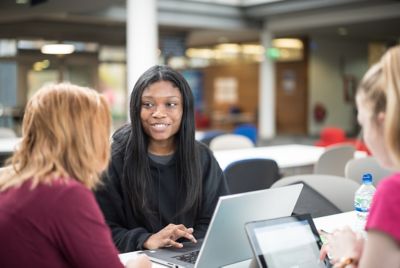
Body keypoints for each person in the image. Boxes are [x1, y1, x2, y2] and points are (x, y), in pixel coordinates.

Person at [0, 83, 151, 268]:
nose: (106, 139)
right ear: (84, 138)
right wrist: (141, 264)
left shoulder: (12, 184)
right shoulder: (64, 195)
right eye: (101, 130)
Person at [95, 65, 229, 252]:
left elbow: (217, 221)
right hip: (138, 259)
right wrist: (147, 240)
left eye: (170, 104)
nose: (158, 113)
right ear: (136, 109)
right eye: (148, 104)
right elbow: (102, 229)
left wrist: (184, 246)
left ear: (185, 110)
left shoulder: (202, 158)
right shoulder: (114, 160)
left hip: (191, 257)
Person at [320, 46, 400, 268]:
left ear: (383, 120)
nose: (363, 136)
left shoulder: (393, 192)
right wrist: (373, 251)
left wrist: (347, 256)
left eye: (363, 124)